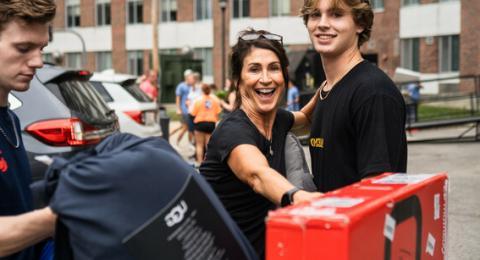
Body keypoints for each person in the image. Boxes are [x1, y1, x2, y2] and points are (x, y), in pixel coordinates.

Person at [199, 29, 322, 258]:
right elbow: (258, 175)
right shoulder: (233, 131)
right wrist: (300, 197)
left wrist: (330, 87)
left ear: (284, 77)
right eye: (254, 69)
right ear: (238, 79)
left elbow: (305, 118)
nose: (266, 79)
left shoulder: (279, 120)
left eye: (274, 68)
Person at [300, 0, 407, 193]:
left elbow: (376, 193)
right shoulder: (327, 88)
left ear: (360, 23)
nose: (322, 23)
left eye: (336, 14)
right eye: (315, 14)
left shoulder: (372, 91)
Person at [0, 0, 57, 258]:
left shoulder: (10, 120)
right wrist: (61, 215)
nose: (38, 61)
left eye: (42, 48)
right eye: (24, 48)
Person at [190, 83, 222, 164]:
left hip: (200, 123)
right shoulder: (214, 101)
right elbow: (218, 112)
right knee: (208, 145)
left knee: (199, 145)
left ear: (202, 91)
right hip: (211, 123)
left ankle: (200, 163)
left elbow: (193, 113)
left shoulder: (198, 100)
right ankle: (208, 163)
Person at [171, 69, 195, 145]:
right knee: (186, 128)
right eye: (191, 77)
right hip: (185, 111)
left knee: (184, 127)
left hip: (191, 110)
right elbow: (178, 98)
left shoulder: (193, 86)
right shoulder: (181, 86)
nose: (192, 78)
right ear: (187, 77)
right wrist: (178, 109)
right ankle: (177, 143)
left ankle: (167, 136)